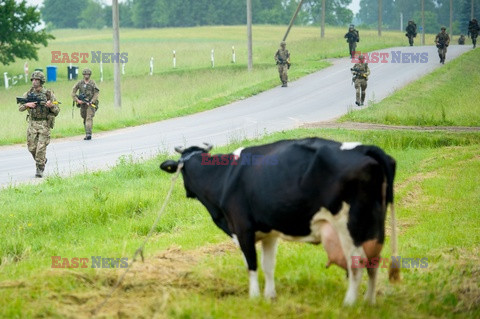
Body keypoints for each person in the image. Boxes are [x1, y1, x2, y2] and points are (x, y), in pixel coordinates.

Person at [18, 71, 60, 178]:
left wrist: (51, 106)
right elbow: (20, 108)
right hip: (32, 123)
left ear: (41, 81)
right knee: (32, 148)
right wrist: (27, 105)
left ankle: (39, 168)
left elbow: (57, 111)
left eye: (37, 80)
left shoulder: (48, 94)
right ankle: (42, 160)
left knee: (41, 148)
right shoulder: (28, 94)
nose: (34, 82)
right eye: (33, 80)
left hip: (44, 123)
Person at [71, 68, 99, 140]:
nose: (86, 76)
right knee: (84, 117)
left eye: (88, 74)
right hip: (82, 104)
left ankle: (88, 133)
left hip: (90, 104)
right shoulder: (80, 83)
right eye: (85, 74)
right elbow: (73, 92)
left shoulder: (92, 83)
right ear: (83, 75)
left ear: (90, 75)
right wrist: (77, 100)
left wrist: (92, 101)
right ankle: (87, 133)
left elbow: (96, 93)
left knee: (89, 118)